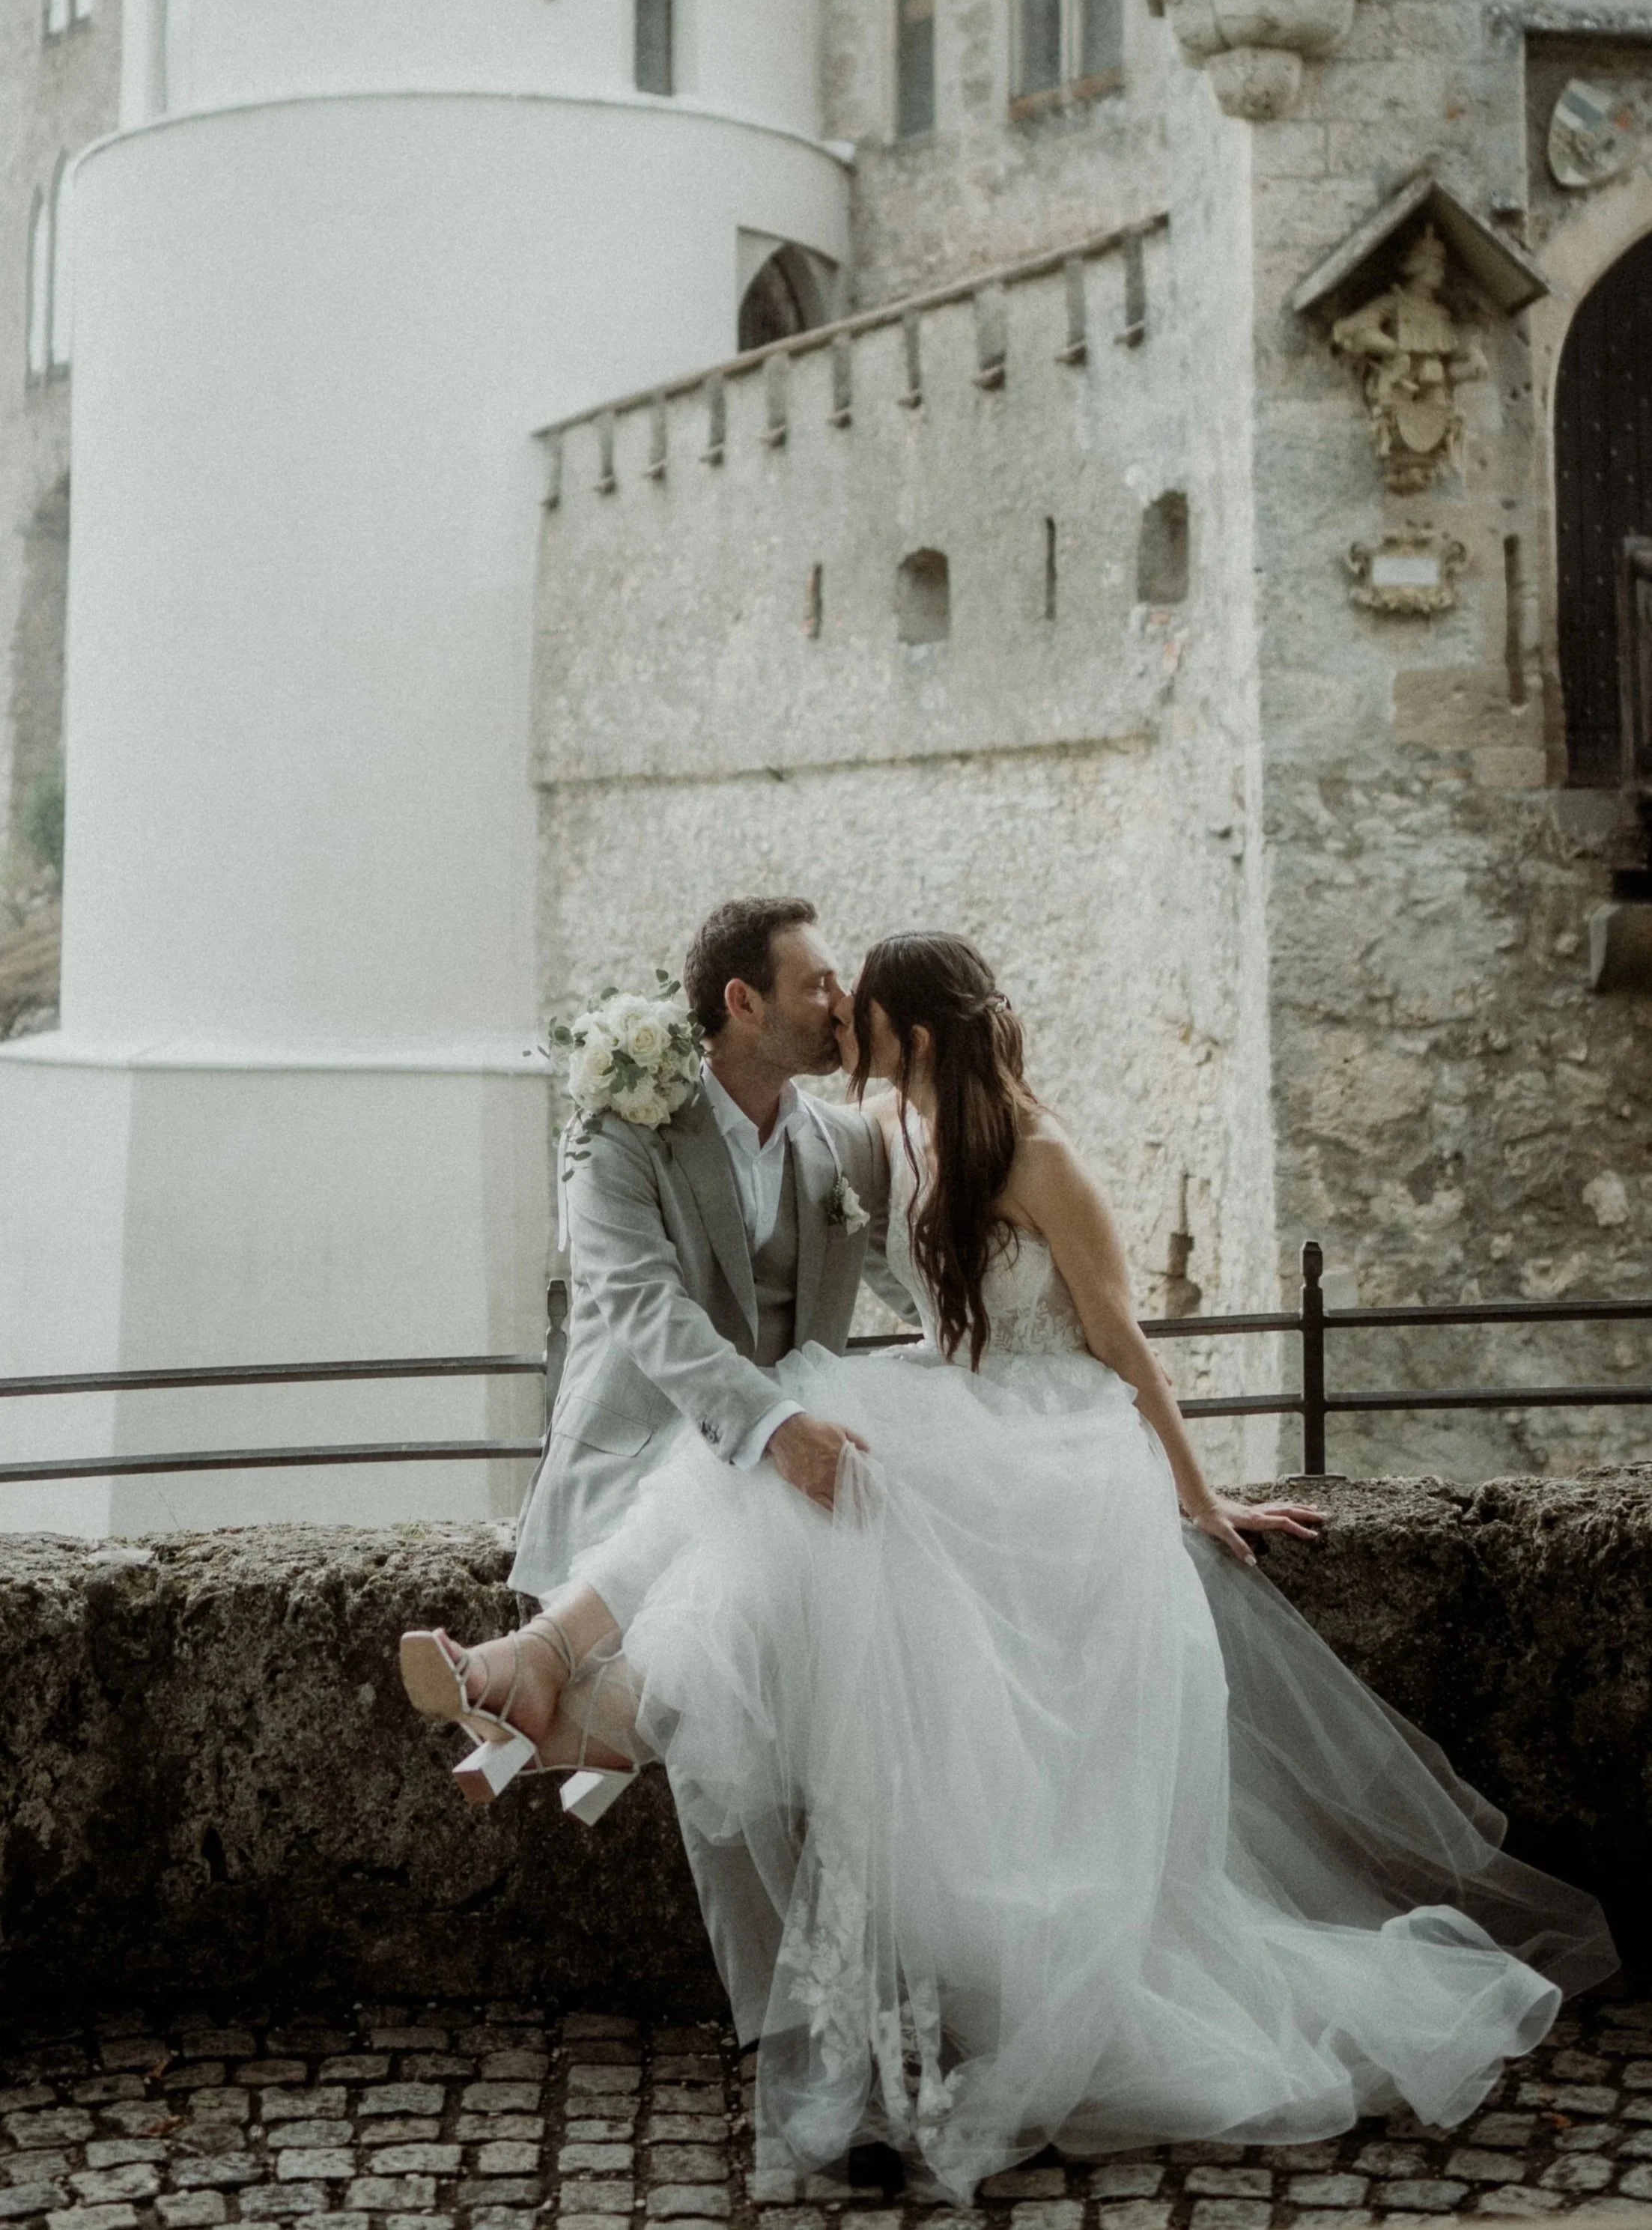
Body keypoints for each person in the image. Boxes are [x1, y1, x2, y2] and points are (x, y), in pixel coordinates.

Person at [403, 931, 1616, 2190]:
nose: (841, 1022)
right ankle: (568, 1682)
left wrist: (1201, 1498)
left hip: (1058, 1453)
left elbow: (1123, 1342)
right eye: (824, 989)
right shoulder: (901, 1139)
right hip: (977, 1418)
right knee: (782, 1461)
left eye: (858, 1007)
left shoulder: (1035, 1154)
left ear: (912, 1037)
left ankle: (577, 1689)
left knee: (791, 1435)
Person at [400, 894, 913, 1802]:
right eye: (817, 984)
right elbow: (643, 1305)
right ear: (743, 1002)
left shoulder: (850, 1145)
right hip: (640, 1464)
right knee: (749, 1527)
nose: (840, 1005)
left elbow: (923, 1289)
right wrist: (781, 1430)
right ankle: (574, 1703)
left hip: (775, 1495)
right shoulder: (615, 1134)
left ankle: (553, 1694)